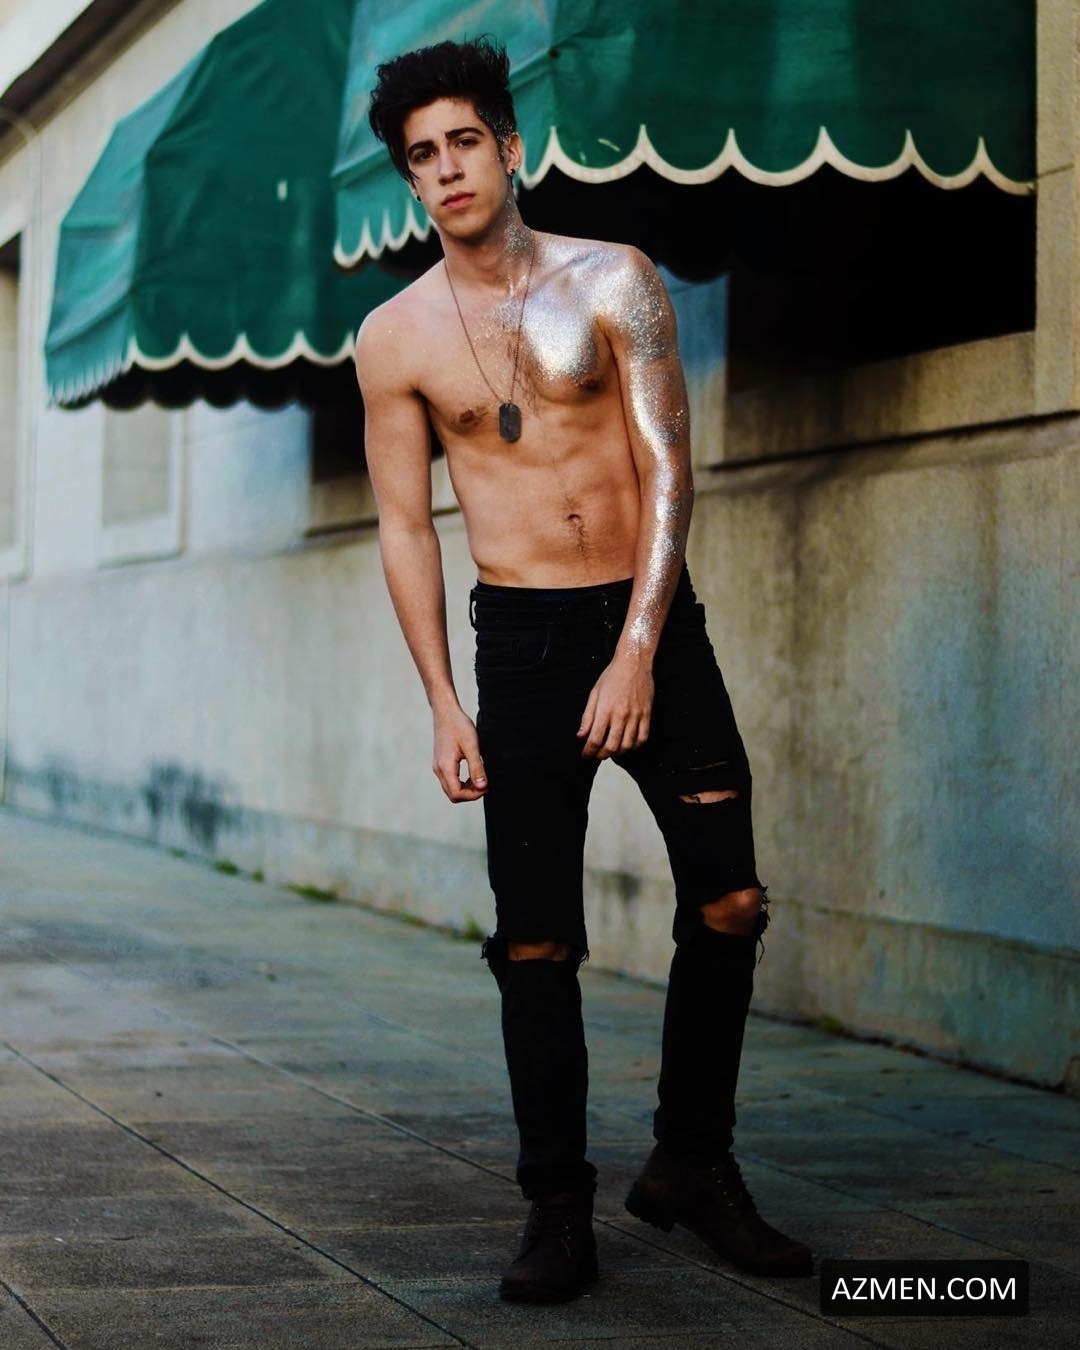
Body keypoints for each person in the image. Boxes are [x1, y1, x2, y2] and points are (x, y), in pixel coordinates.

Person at [354, 37, 813, 1303]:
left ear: (509, 147)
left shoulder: (615, 277)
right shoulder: (393, 337)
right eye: (422, 156)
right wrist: (444, 701)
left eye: (464, 141)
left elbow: (668, 465)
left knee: (732, 902)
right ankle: (557, 1208)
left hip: (651, 622)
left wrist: (638, 650)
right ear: (411, 180)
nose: (447, 169)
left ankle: (692, 1164)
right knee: (537, 942)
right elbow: (405, 526)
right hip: (520, 646)